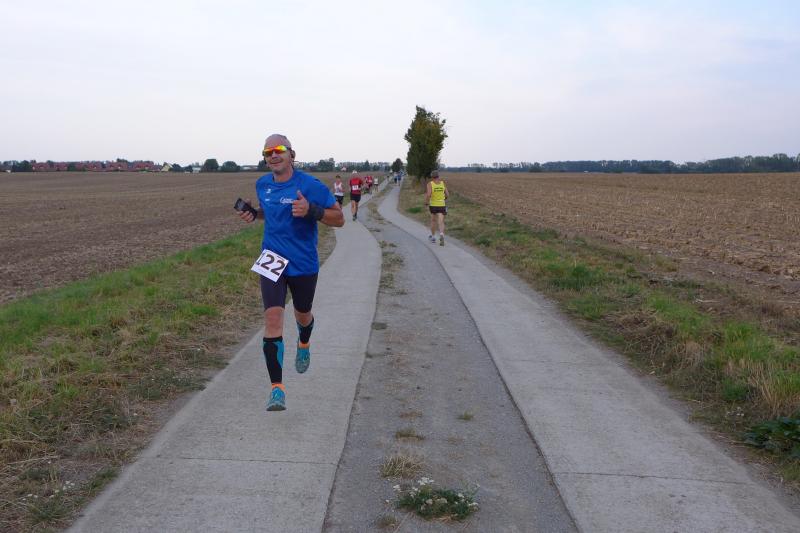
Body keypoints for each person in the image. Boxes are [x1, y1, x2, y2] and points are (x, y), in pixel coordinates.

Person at [236, 134, 344, 411]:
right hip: (272, 259)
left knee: (302, 314)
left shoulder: (310, 185)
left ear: (291, 155)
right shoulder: (263, 184)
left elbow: (339, 218)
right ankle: (277, 389)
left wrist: (312, 210)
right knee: (273, 319)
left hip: (303, 262)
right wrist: (254, 213)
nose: (274, 155)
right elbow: (270, 213)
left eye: (279, 150)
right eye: (268, 152)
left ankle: (304, 341)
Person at [425, 170, 448, 246]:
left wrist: (426, 202)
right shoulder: (442, 183)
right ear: (438, 176)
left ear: (432, 177)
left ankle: (433, 237)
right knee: (441, 221)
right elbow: (447, 194)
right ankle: (441, 235)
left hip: (433, 205)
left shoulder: (430, 184)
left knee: (433, 221)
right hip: (442, 204)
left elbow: (429, 194)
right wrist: (444, 199)